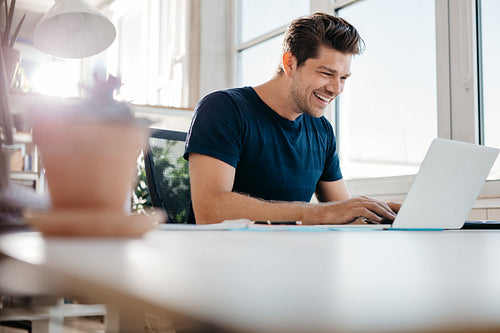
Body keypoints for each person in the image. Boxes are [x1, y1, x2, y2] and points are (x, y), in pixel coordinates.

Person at [184, 12, 400, 225]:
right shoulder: (224, 108)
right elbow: (209, 211)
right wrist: (319, 214)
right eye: (326, 73)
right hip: (224, 256)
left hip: (289, 255)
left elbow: (340, 212)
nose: (336, 88)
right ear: (290, 63)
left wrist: (381, 215)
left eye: (343, 78)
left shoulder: (322, 130)